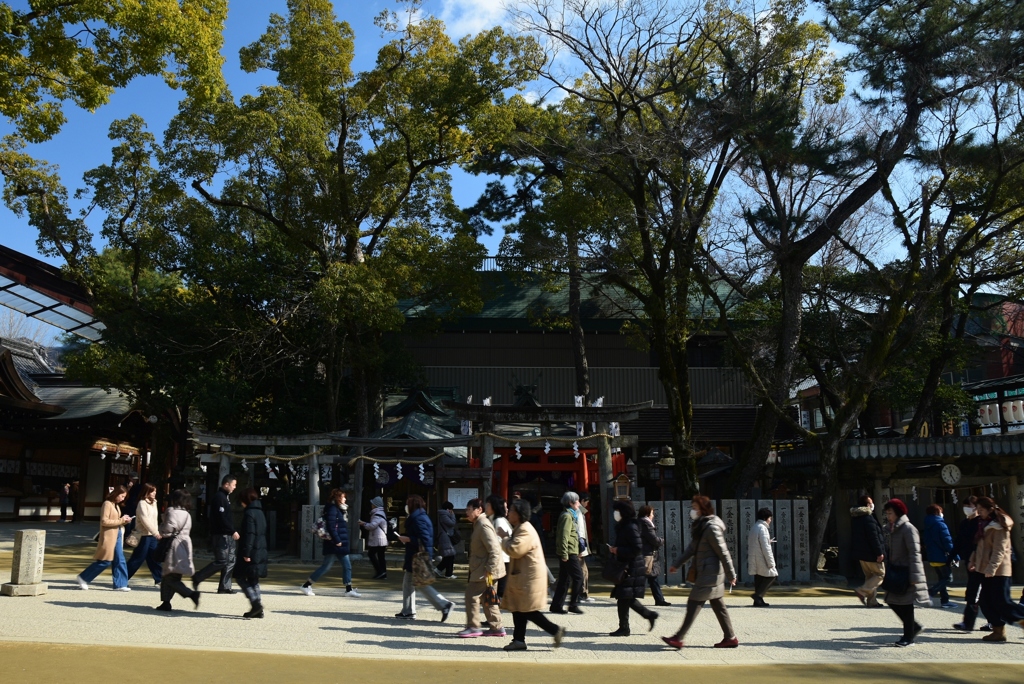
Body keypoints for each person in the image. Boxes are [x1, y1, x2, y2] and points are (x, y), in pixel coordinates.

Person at [662, 495, 737, 649]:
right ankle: (731, 637)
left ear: (703, 509)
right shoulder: (702, 525)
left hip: (710, 573)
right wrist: (676, 564)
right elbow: (692, 548)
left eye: (695, 508)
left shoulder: (711, 527)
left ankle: (679, 638)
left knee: (694, 603)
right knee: (718, 605)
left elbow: (723, 552)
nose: (692, 511)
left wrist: (731, 574)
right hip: (707, 571)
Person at [497, 497, 565, 651]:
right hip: (523, 577)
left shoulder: (525, 529)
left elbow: (515, 550)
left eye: (512, 510)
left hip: (528, 578)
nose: (509, 512)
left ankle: (555, 630)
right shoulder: (521, 528)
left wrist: (504, 538)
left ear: (519, 514)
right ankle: (519, 640)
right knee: (519, 608)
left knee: (528, 610)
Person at [970, 496, 1024, 642]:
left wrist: (991, 568)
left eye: (981, 510)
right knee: (986, 602)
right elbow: (980, 547)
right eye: (978, 509)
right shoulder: (984, 524)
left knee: (1003, 602)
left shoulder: (999, 526)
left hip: (999, 571)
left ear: (990, 509)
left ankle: (1017, 621)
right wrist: (973, 560)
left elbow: (999, 550)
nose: (979, 512)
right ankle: (998, 631)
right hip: (985, 569)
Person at [395, 495, 454, 621]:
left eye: (408, 504)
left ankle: (444, 604)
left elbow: (424, 539)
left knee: (421, 584)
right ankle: (408, 611)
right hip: (416, 554)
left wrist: (409, 539)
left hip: (417, 556)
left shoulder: (417, 519)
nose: (406, 506)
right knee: (409, 583)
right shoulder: (420, 516)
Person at [882, 498, 929, 647]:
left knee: (907, 605)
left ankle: (909, 636)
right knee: (892, 601)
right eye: (887, 513)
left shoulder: (908, 528)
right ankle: (913, 628)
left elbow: (915, 554)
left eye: (890, 513)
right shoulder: (893, 529)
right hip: (896, 572)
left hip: (906, 572)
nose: (888, 516)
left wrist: (915, 576)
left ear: (898, 513)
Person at [608, 500, 658, 636]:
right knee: (625, 597)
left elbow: (637, 548)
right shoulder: (624, 526)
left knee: (624, 597)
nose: (615, 514)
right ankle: (647, 616)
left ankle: (625, 627)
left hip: (631, 567)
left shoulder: (630, 526)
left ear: (623, 512)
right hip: (628, 565)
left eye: (617, 511)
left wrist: (618, 550)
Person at [458, 498, 507, 638]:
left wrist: (490, 569)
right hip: (485, 568)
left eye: (469, 509)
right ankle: (497, 627)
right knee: (488, 598)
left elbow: (494, 549)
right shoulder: (479, 524)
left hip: (484, 569)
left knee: (471, 596)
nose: (466, 512)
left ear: (479, 510)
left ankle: (473, 627)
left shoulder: (483, 525)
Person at [302, 489, 359, 597]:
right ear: (338, 498)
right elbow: (331, 526)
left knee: (346, 566)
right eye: (343, 497)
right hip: (334, 543)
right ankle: (306, 585)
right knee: (327, 566)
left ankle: (349, 589)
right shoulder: (333, 509)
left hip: (338, 543)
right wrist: (337, 540)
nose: (345, 499)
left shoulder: (338, 509)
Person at [76, 486, 132, 591]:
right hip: (109, 536)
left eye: (124, 497)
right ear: (116, 494)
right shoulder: (107, 504)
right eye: (122, 496)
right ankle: (83, 577)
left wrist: (124, 520)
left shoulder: (115, 505)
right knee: (105, 560)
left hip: (117, 534)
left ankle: (120, 584)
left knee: (120, 560)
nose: (123, 498)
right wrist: (121, 520)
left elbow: (115, 520)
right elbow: (104, 521)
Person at [192, 474, 238, 595]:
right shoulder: (219, 497)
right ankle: (199, 576)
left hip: (226, 533)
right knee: (222, 560)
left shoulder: (225, 497)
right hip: (220, 533)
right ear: (226, 484)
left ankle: (225, 586)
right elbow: (221, 518)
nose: (234, 487)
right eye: (233, 485)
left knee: (231, 560)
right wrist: (231, 530)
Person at [156, 488, 201, 612]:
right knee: (174, 574)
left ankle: (190, 594)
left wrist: (161, 524)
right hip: (185, 544)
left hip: (173, 545)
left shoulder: (172, 512)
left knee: (169, 576)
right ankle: (166, 602)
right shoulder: (187, 514)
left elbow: (167, 530)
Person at [954, 496, 990, 631]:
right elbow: (958, 541)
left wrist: (975, 559)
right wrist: (952, 556)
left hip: (981, 562)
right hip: (969, 561)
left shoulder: (981, 523)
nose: (966, 509)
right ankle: (968, 622)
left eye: (969, 506)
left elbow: (980, 545)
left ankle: (993, 621)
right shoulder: (964, 523)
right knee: (973, 593)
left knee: (981, 594)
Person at [234, 488, 268, 619]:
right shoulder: (260, 512)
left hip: (251, 550)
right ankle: (258, 608)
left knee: (240, 577)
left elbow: (249, 534)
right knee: (254, 579)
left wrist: (246, 552)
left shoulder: (249, 514)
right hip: (260, 550)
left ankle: (255, 604)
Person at [550, 491, 584, 614]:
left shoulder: (571, 515)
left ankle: (556, 605)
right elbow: (563, 536)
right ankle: (573, 604)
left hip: (571, 551)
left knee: (565, 579)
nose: (579, 504)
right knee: (579, 578)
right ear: (571, 502)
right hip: (569, 552)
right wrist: (564, 553)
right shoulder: (567, 516)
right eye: (577, 501)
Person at [850, 495, 886, 607]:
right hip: (871, 553)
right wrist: (879, 552)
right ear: (867, 505)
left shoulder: (856, 517)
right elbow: (873, 537)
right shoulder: (868, 518)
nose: (872, 505)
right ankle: (863, 591)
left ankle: (872, 601)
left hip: (861, 553)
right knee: (880, 574)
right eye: (870, 503)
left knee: (870, 576)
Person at [126, 483, 163, 585]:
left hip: (152, 536)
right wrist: (156, 533)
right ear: (146, 492)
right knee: (138, 558)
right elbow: (145, 520)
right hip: (143, 535)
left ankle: (159, 579)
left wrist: (157, 531)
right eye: (152, 491)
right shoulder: (142, 503)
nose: (154, 493)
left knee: (155, 558)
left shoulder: (154, 503)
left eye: (155, 491)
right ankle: (123, 578)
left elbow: (154, 520)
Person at [922, 503, 955, 608]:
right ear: (937, 512)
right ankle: (931, 592)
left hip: (932, 556)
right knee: (948, 578)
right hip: (942, 556)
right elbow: (947, 542)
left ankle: (945, 601)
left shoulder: (927, 525)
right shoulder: (941, 525)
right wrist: (955, 555)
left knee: (942, 578)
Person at [638, 505, 670, 606]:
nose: (653, 515)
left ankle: (659, 599)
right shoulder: (646, 523)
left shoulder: (640, 522)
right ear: (647, 514)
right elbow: (653, 539)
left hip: (646, 554)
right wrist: (662, 541)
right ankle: (629, 598)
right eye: (652, 513)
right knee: (644, 577)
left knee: (652, 578)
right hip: (648, 555)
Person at [748, 507, 777, 607]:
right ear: (766, 518)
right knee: (772, 575)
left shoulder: (755, 527)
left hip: (754, 556)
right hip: (761, 557)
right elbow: (765, 548)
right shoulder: (763, 529)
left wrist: (768, 541)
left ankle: (758, 601)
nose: (770, 520)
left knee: (759, 578)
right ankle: (757, 596)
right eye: (770, 518)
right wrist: (771, 562)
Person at [486, 494, 513, 600]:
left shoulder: (498, 521)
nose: (506, 510)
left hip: (502, 557)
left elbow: (496, 541)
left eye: (488, 505)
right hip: (502, 556)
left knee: (499, 582)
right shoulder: (497, 520)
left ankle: (495, 600)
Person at [360, 496, 389, 580]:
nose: (371, 505)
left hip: (378, 538)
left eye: (372, 504)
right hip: (382, 538)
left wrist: (364, 524)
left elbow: (372, 526)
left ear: (375, 505)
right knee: (381, 556)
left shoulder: (376, 514)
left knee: (371, 554)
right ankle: (383, 573)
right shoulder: (381, 513)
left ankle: (380, 571)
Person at [577, 492, 593, 603]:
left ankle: (583, 594)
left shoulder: (578, 513)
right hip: (579, 547)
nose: (587, 504)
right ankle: (582, 594)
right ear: (582, 501)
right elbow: (580, 532)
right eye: (586, 502)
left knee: (580, 571)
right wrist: (582, 547)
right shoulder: (578, 513)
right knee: (582, 571)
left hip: (578, 546)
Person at [435, 502, 458, 579]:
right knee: (450, 555)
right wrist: (452, 515)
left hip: (446, 536)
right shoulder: (444, 515)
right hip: (445, 537)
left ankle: (440, 570)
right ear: (448, 509)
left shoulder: (443, 514)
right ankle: (447, 573)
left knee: (449, 555)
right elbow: (452, 523)